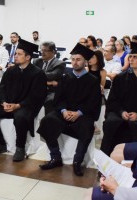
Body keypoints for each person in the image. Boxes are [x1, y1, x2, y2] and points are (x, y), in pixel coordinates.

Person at [37, 43, 101, 176]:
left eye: (78, 59)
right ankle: (55, 157)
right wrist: (64, 111)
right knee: (47, 121)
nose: (75, 62)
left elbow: (93, 102)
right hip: (64, 112)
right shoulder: (65, 78)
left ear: (85, 62)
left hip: (83, 114)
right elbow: (58, 99)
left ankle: (77, 161)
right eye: (73, 59)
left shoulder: (93, 80)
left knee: (87, 127)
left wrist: (78, 113)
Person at [0, 38, 47, 162]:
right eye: (15, 53)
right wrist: (4, 102)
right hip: (8, 104)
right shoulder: (11, 70)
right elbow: (3, 89)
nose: (15, 56)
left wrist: (18, 105)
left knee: (20, 117)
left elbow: (36, 96)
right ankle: (0, 143)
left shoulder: (38, 73)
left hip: (26, 106)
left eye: (19, 54)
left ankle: (20, 147)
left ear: (27, 57)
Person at [33, 41, 66, 114]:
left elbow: (52, 75)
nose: (42, 52)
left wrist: (36, 76)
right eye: (42, 50)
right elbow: (30, 75)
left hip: (50, 91)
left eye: (45, 50)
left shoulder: (60, 63)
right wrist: (48, 82)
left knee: (50, 101)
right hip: (35, 89)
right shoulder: (36, 61)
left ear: (53, 52)